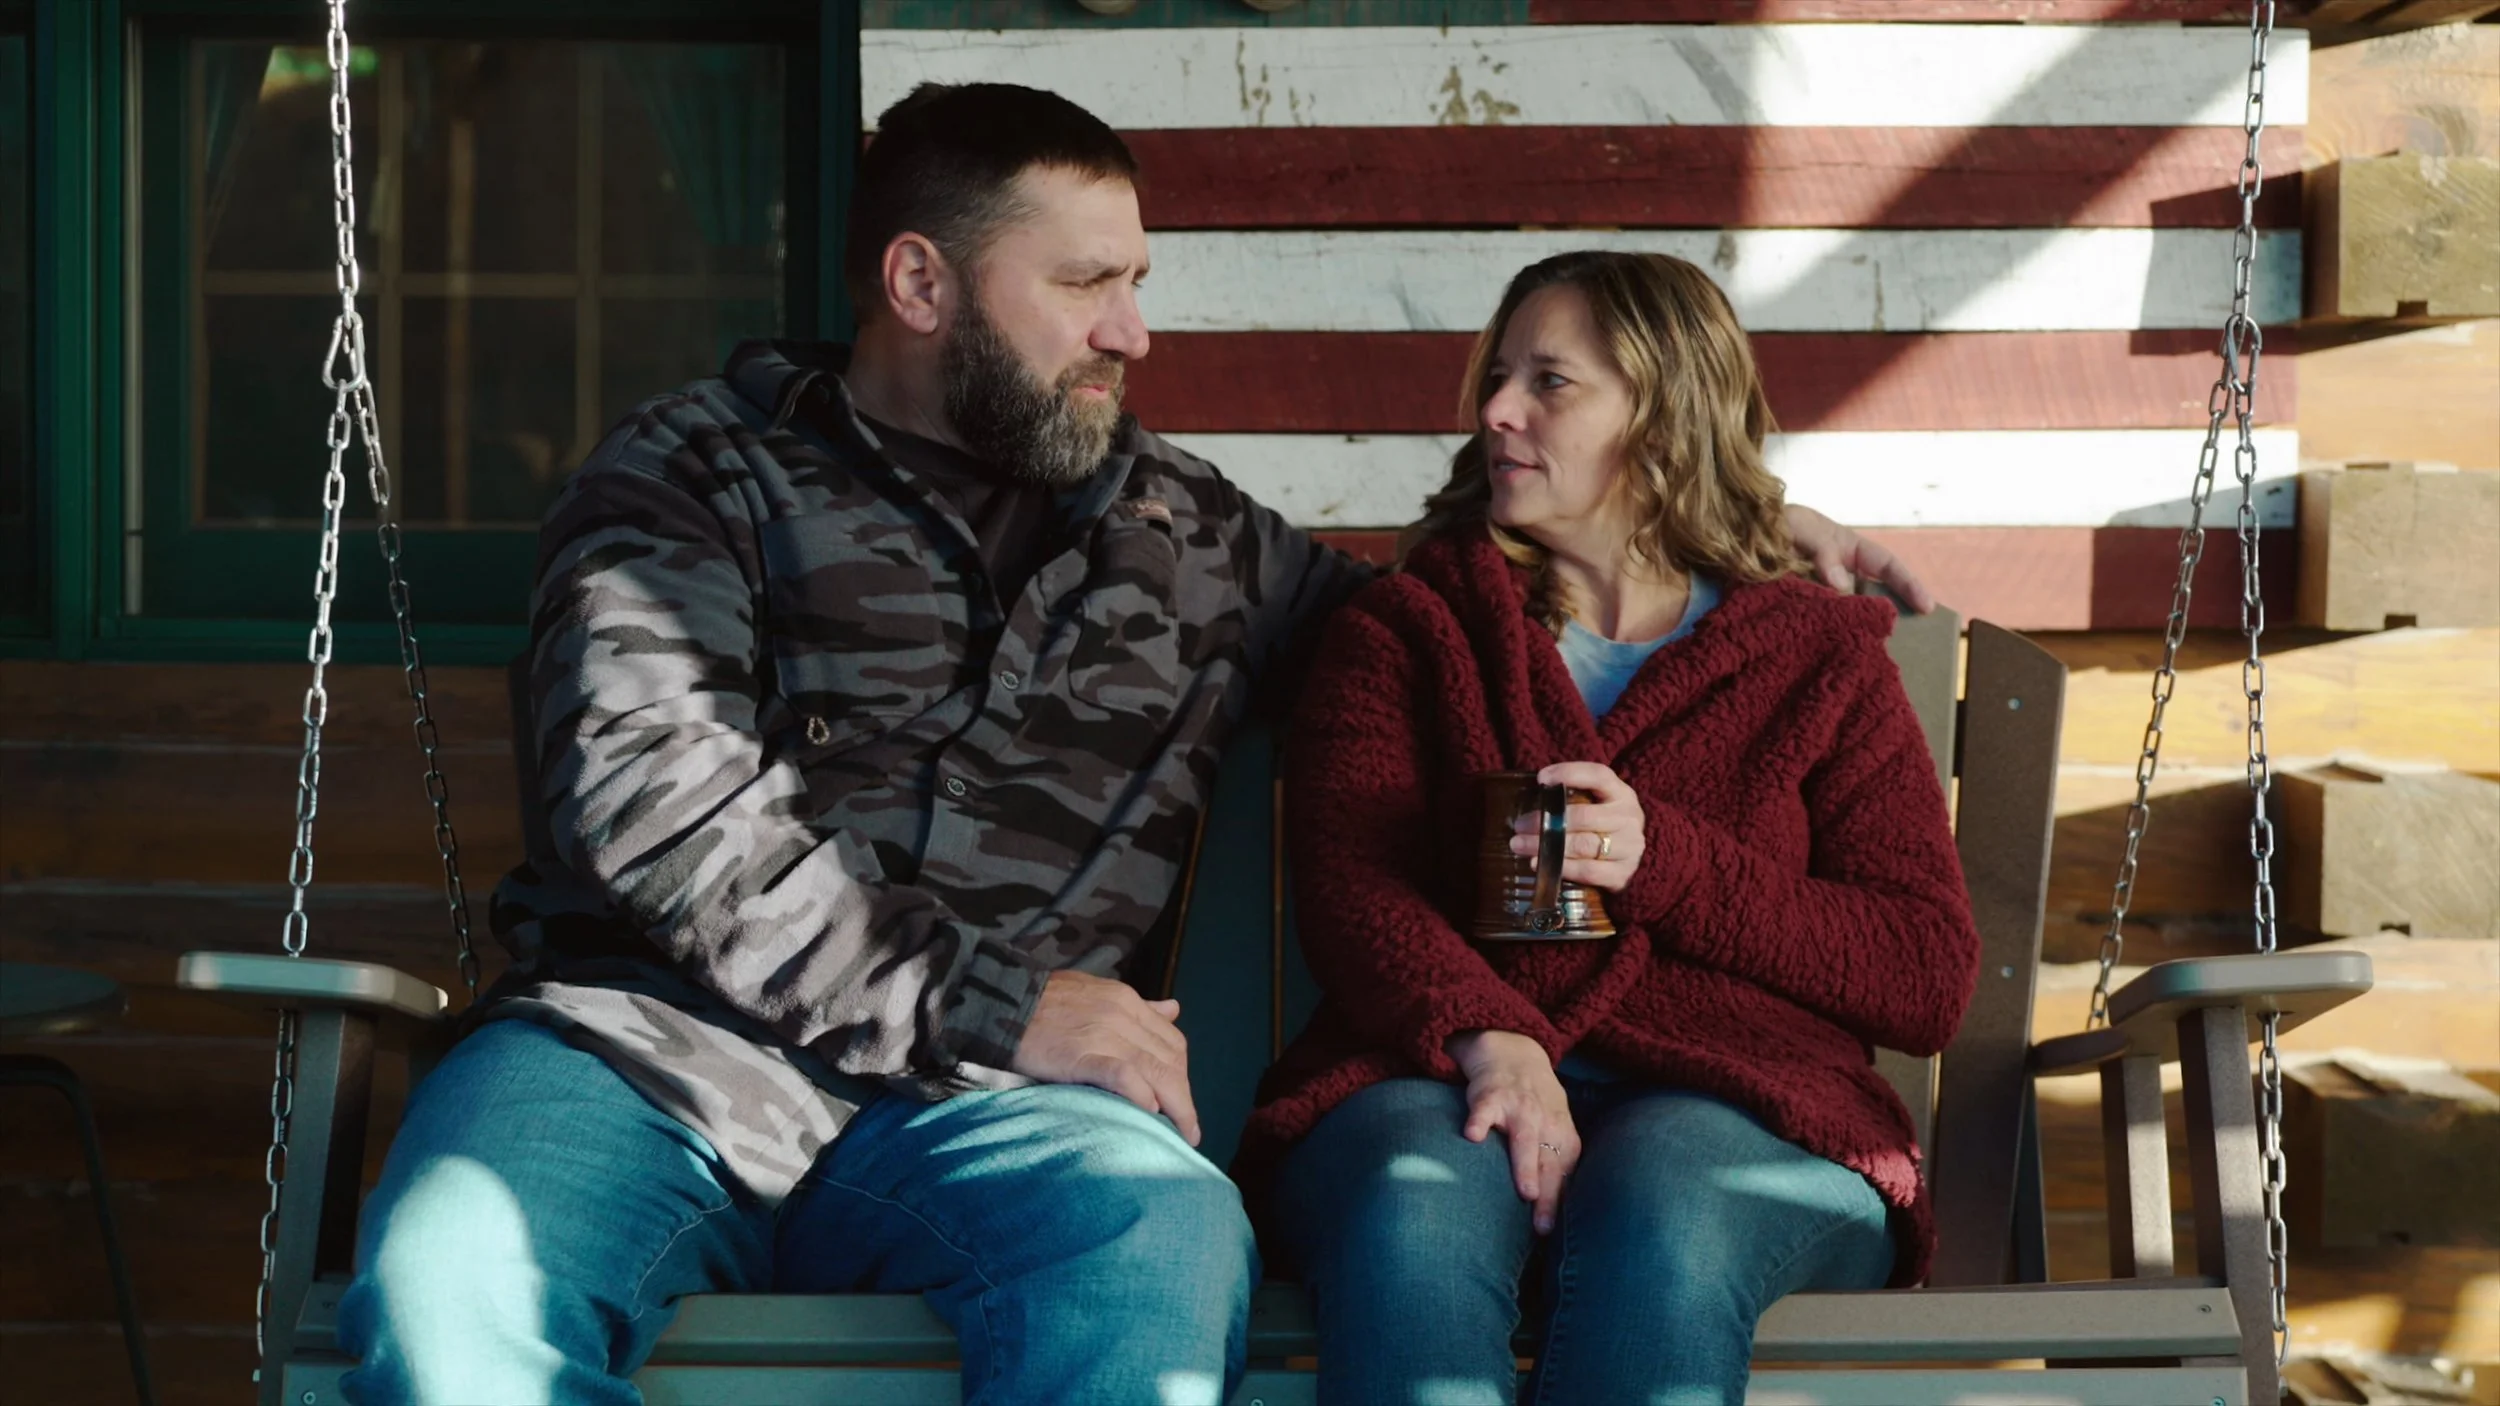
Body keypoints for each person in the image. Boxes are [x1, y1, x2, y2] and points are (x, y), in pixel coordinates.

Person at [337, 83, 1934, 1405]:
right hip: (653, 1056)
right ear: (922, 286)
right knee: (453, 1293)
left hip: (994, 1112)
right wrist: (1000, 1001)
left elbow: (1450, 642)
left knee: (1156, 1246)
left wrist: (1716, 514)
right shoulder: (695, 477)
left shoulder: (1187, 534)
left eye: (1139, 281)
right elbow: (657, 810)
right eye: (1088, 284)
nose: (1135, 332)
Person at [1236, 250, 1985, 1406]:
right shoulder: (1415, 626)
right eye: (1497, 376)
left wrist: (1667, 864)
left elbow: (1921, 972)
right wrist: (1491, 1035)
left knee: (1670, 1207)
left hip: (1742, 1102)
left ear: (1663, 411)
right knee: (1416, 1206)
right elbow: (1355, 886)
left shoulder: (1812, 655)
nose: (1497, 409)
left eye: (1549, 382)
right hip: (1437, 1078)